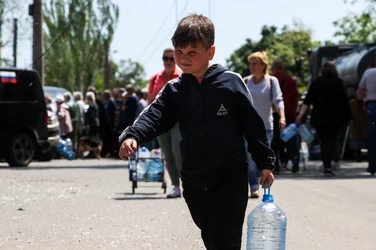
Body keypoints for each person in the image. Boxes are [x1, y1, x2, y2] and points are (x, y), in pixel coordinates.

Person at [118, 14, 275, 249]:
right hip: (194, 179)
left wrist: (265, 163)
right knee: (211, 235)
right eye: (179, 52)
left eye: (192, 52)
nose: (183, 58)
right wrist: (133, 135)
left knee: (227, 237)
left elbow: (253, 126)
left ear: (210, 52)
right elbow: (154, 115)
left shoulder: (231, 83)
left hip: (230, 175)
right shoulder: (174, 90)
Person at [297, 62, 351, 176]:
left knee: (324, 140)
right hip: (336, 116)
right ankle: (334, 159)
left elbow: (307, 100)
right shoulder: (339, 82)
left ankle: (327, 165)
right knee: (333, 138)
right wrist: (349, 116)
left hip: (320, 116)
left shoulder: (317, 82)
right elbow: (345, 101)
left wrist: (301, 114)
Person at [243, 52, 285, 198]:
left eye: (255, 63)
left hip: (266, 127)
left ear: (263, 65)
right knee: (249, 159)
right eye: (251, 64)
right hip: (248, 128)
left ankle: (264, 182)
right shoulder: (245, 81)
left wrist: (282, 117)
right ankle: (254, 186)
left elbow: (278, 100)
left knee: (263, 158)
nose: (252, 67)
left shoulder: (272, 81)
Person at [147, 48, 184, 198]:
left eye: (171, 58)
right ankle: (176, 186)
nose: (168, 61)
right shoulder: (155, 78)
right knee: (167, 154)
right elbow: (150, 102)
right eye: (165, 58)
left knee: (178, 151)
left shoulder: (182, 76)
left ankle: (187, 183)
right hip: (160, 122)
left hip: (178, 121)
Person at [271, 59, 300, 173]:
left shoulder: (270, 79)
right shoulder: (289, 79)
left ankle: (275, 165)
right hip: (288, 112)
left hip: (274, 113)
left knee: (275, 140)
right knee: (290, 137)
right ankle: (293, 157)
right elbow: (295, 96)